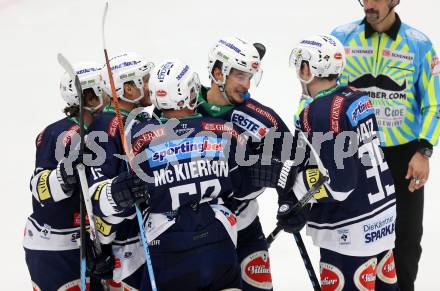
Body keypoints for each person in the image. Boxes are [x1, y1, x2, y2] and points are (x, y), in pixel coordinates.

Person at [90, 59, 254, 290]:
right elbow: (247, 186)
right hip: (219, 241)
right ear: (187, 93)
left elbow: (123, 201)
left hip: (166, 244)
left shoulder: (139, 140)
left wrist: (102, 239)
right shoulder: (224, 130)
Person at [331, 1, 440, 289]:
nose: (369, 4)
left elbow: (434, 102)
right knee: (358, 236)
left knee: (405, 238)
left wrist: (424, 150)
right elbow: (319, 91)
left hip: (403, 157)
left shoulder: (419, 44)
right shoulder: (341, 38)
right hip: (356, 153)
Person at [282, 34, 398, 290]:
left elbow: (339, 185)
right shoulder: (356, 96)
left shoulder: (319, 111)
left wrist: (297, 195)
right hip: (381, 218)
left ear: (306, 69)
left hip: (350, 230)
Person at [193, 37, 308, 291]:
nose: (246, 86)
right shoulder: (186, 109)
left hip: (244, 225)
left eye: (250, 77)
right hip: (198, 235)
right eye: (240, 77)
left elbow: (295, 156)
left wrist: (291, 201)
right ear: (217, 73)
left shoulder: (258, 117)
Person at [23, 62, 106, 290]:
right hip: (54, 248)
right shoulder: (58, 134)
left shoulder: (102, 130)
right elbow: (39, 187)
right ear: (90, 98)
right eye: (105, 89)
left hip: (86, 243)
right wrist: (65, 173)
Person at [85, 51, 155, 290]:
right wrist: (121, 190)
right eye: (144, 81)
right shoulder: (106, 125)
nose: (150, 85)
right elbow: (96, 194)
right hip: (127, 250)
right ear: (128, 88)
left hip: (151, 239)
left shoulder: (141, 118)